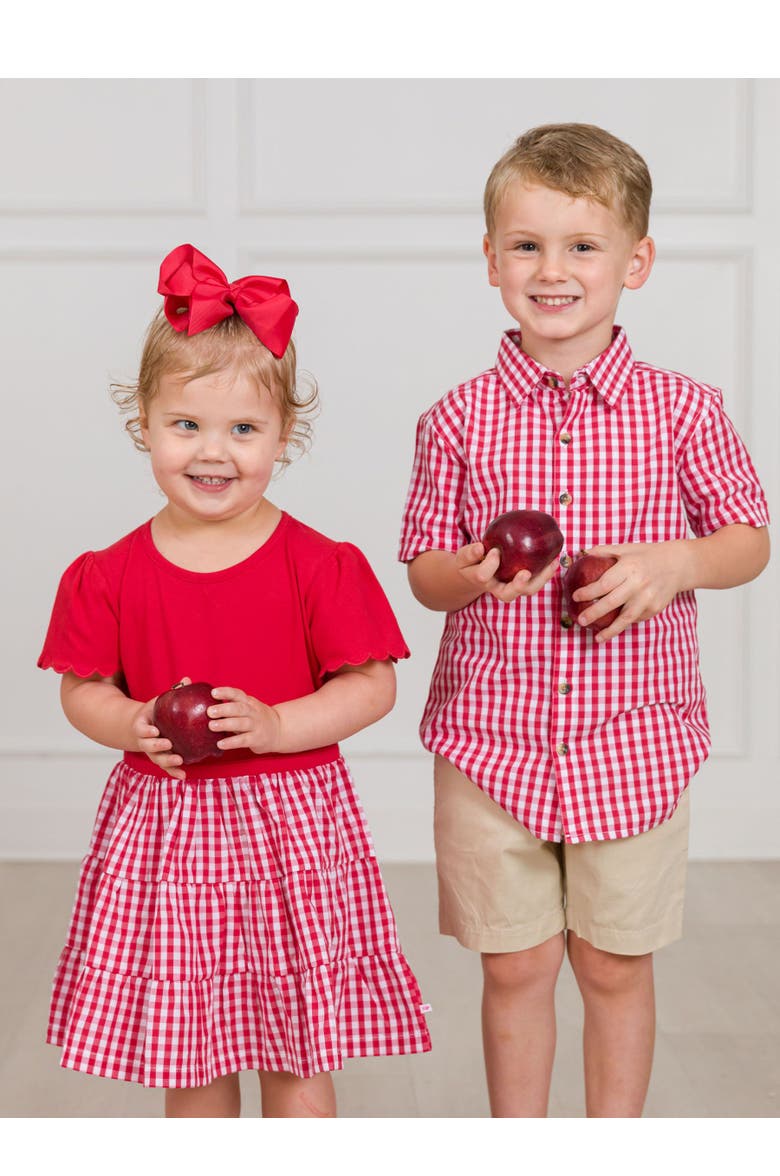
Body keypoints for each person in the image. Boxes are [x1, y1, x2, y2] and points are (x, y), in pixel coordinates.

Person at [399, 124, 770, 1118]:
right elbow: (426, 575)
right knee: (514, 962)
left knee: (612, 962)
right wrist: (474, 572)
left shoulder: (685, 411)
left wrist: (678, 560)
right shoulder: (457, 419)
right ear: (490, 260)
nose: (551, 269)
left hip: (631, 738)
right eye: (526, 245)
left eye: (582, 245)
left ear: (635, 261)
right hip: (491, 743)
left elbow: (748, 538)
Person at [38, 244, 431, 1118]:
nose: (213, 452)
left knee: (295, 1056)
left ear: (284, 438)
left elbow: (371, 684)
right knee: (195, 1056)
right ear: (143, 421)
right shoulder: (107, 574)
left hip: (288, 831)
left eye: (244, 431)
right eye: (187, 426)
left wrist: (283, 725)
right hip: (170, 839)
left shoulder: (319, 565)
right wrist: (131, 721)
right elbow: (82, 688)